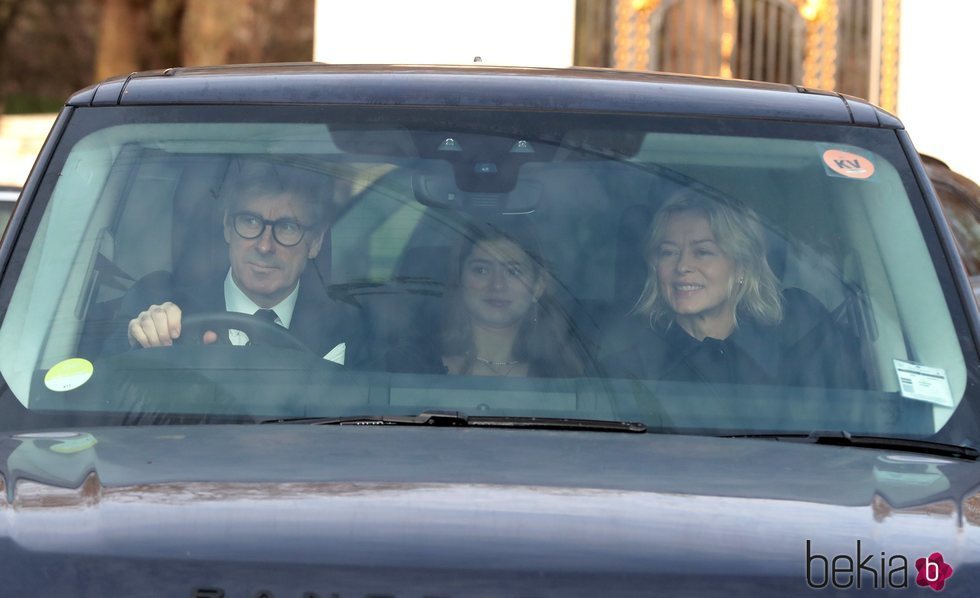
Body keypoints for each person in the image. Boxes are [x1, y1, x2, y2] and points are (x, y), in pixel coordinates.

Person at [602, 189, 861, 388]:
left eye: (702, 252)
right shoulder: (633, 364)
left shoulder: (798, 336)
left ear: (742, 265)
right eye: (668, 253)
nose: (682, 266)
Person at [121, 160, 358, 363]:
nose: (265, 246)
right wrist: (139, 341)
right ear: (227, 227)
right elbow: (104, 375)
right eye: (250, 222)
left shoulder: (349, 327)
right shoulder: (167, 310)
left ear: (315, 242)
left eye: (287, 227)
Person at [387, 222, 588, 377]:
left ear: (538, 286)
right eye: (481, 270)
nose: (497, 285)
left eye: (513, 271)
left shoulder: (565, 379)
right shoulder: (407, 367)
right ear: (459, 281)